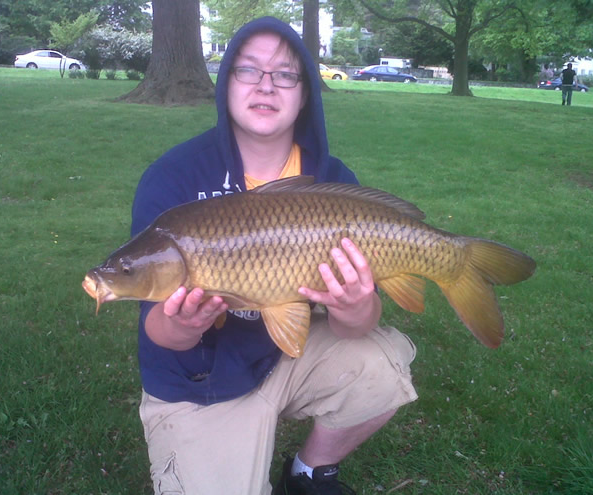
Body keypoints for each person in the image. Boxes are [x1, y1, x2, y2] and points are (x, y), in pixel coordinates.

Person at [131, 16, 418, 495]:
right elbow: (158, 332)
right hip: (200, 381)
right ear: (225, 84)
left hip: (287, 356)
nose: (266, 85)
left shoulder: (330, 179)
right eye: (249, 70)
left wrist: (356, 306)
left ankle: (309, 472)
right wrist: (182, 325)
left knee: (380, 366)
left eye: (285, 74)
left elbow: (355, 327)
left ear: (305, 92)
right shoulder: (171, 178)